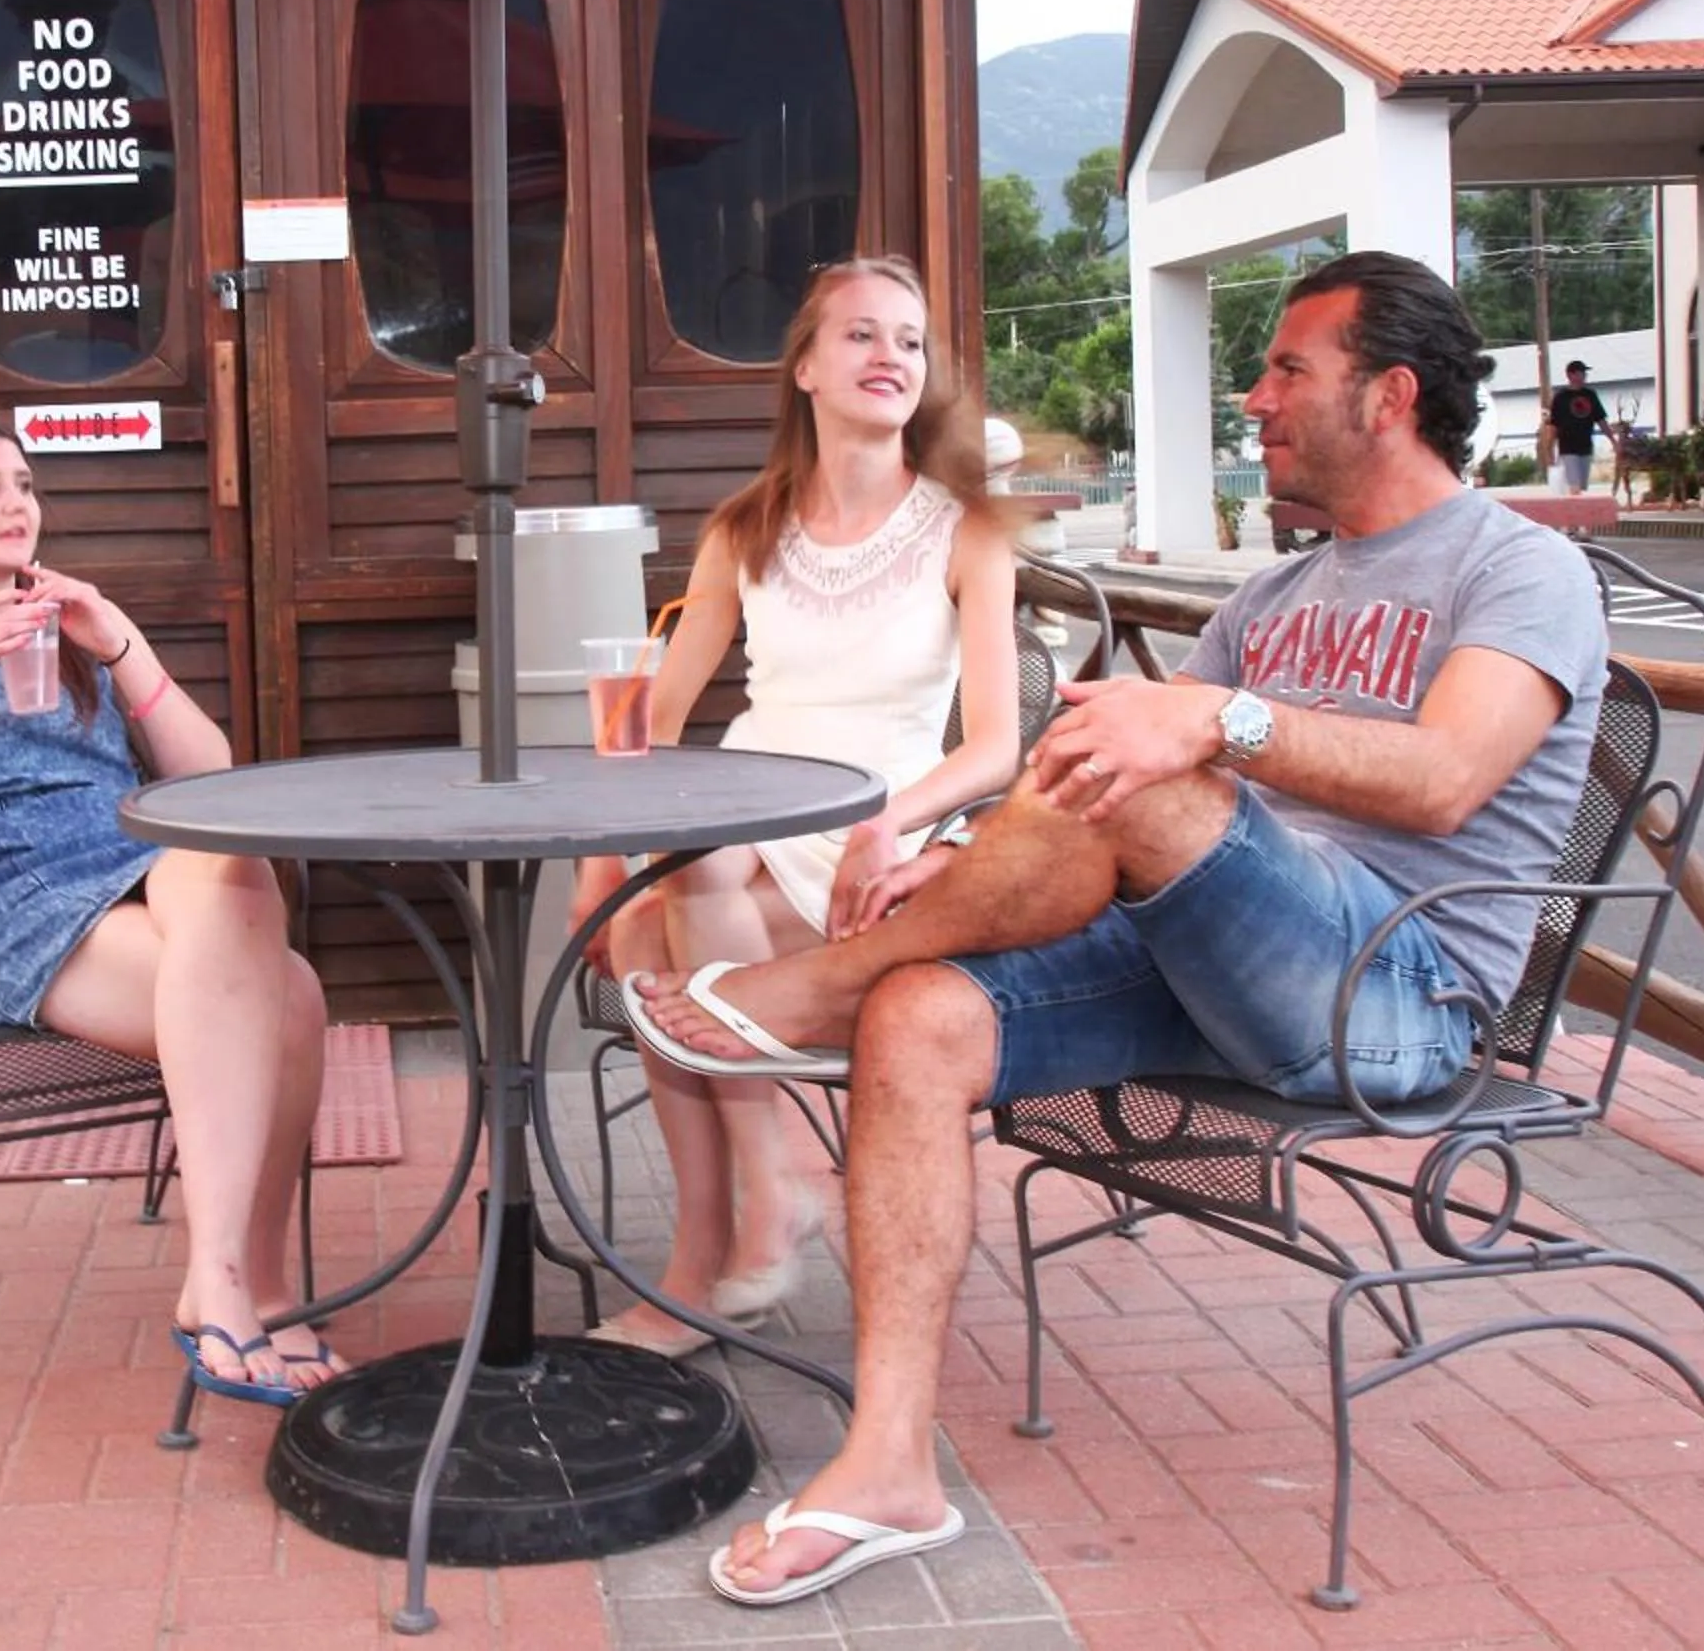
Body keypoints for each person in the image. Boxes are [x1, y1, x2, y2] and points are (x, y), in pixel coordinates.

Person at [630, 251, 1607, 1606]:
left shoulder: (1525, 568)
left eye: (1286, 370)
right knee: (927, 1014)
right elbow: (1095, 769)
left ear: (1389, 396)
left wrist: (1220, 720)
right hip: (1201, 956)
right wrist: (959, 855)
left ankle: (811, 988)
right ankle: (890, 1461)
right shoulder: (1277, 596)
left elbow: (1445, 779)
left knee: (1158, 757)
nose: (1254, 397)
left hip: (1396, 986)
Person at [0, 411, 341, 1407]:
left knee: (233, 862)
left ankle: (222, 1280)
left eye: (26, 485)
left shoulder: (70, 625)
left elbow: (210, 781)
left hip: (131, 852)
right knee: (290, 993)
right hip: (8, 899)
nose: (17, 505)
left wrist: (118, 643)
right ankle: (243, 1281)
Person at [568, 257, 1020, 1358]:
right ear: (808, 368)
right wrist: (594, 844)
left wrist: (888, 819)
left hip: (876, 833)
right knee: (650, 898)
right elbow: (656, 722)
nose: (891, 358)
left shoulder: (968, 530)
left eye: (910, 341)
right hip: (746, 822)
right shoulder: (744, 530)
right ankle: (748, 1209)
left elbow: (999, 744)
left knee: (651, 920)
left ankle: (723, 1243)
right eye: (862, 336)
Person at [1546, 358, 1607, 492]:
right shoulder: (1561, 397)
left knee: (1583, 487)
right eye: (1580, 373)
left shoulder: (1590, 395)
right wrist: (1549, 447)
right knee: (1574, 486)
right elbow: (1553, 424)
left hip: (1585, 446)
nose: (1584, 376)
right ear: (1570, 375)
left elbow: (1601, 419)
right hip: (1567, 446)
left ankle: (1578, 509)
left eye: (1584, 373)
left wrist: (1613, 440)